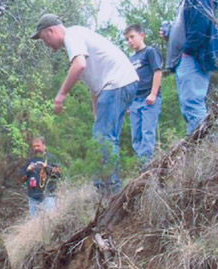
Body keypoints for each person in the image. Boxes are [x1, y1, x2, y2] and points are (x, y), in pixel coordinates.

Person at [32, 14, 138, 194]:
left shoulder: (72, 35)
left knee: (103, 139)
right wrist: (97, 114)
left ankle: (109, 190)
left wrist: (61, 94)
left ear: (51, 31)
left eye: (44, 39)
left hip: (116, 84)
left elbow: (80, 65)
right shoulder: (78, 38)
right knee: (105, 137)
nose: (47, 45)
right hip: (120, 84)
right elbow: (94, 86)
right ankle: (109, 188)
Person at [161, 0, 218, 135]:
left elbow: (201, 26)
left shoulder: (197, 1)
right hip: (187, 59)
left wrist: (187, 51)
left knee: (193, 104)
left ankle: (203, 147)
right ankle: (198, 144)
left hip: (192, 58)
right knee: (189, 106)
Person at [125, 24, 163, 167]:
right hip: (135, 101)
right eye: (127, 39)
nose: (130, 41)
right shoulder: (130, 59)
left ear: (142, 35)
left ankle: (148, 166)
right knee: (136, 135)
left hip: (149, 100)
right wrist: (128, 103)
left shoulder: (150, 52)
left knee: (147, 132)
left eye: (132, 37)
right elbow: (129, 81)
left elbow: (157, 72)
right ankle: (142, 165)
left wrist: (153, 94)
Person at [21, 137, 62, 217]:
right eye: (34, 146)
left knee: (50, 220)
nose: (36, 148)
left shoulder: (51, 158)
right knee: (34, 222)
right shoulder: (30, 161)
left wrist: (47, 168)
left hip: (48, 195)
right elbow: (22, 179)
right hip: (33, 197)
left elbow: (59, 174)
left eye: (38, 146)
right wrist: (28, 170)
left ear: (44, 146)